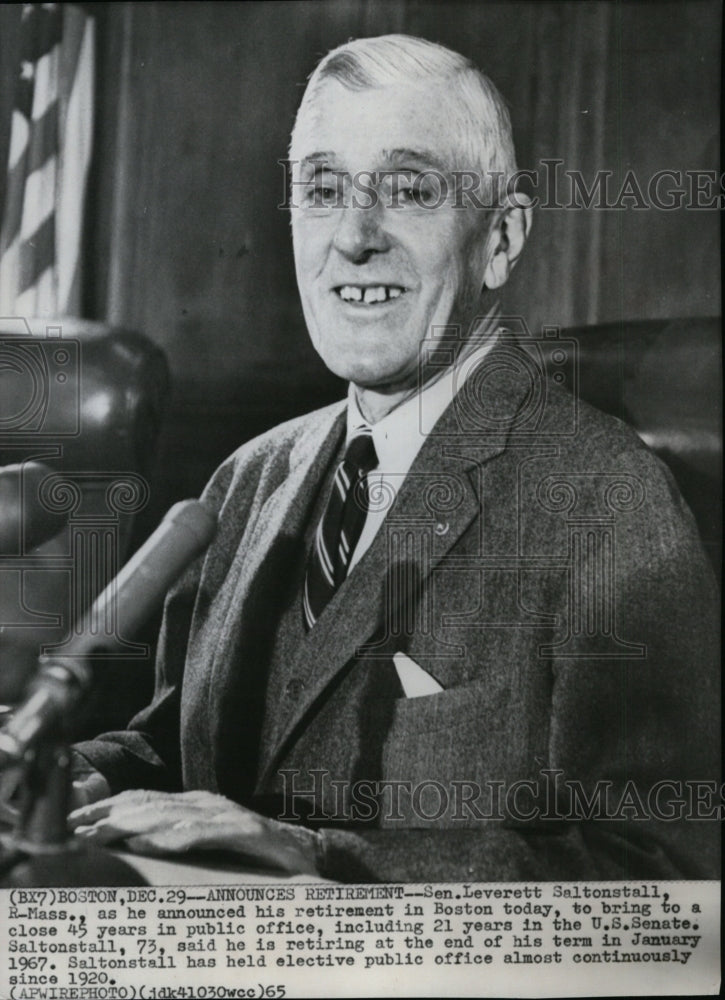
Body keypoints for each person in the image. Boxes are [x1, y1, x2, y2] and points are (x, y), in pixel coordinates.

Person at [67, 35, 718, 881]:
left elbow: (663, 874)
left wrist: (316, 854)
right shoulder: (246, 478)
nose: (354, 237)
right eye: (324, 188)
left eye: (409, 190)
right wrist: (80, 778)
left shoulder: (606, 501)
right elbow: (179, 752)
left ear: (502, 237)